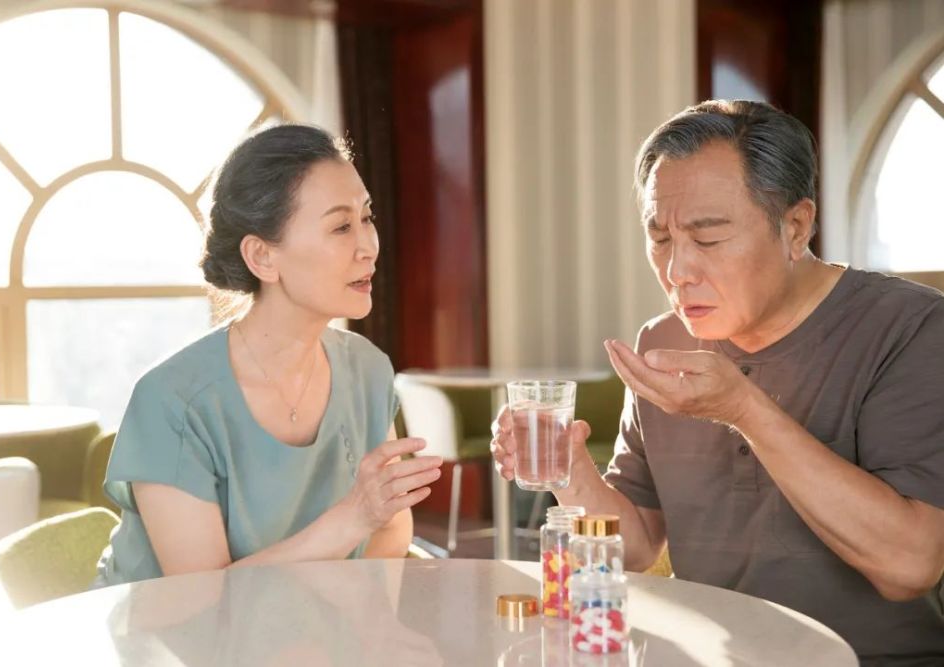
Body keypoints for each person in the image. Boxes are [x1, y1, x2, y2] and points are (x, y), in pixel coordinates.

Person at [491, 100, 944, 665]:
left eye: (707, 239)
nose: (677, 271)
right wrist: (570, 467)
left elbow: (910, 566)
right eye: (660, 238)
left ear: (796, 227)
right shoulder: (663, 341)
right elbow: (635, 547)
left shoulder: (909, 328)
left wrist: (744, 409)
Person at [95, 124, 442, 586]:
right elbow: (199, 597)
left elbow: (391, 533)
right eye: (341, 226)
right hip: (164, 628)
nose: (369, 247)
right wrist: (354, 516)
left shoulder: (368, 370)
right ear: (262, 257)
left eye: (367, 217)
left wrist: (359, 624)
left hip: (308, 624)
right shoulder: (173, 400)